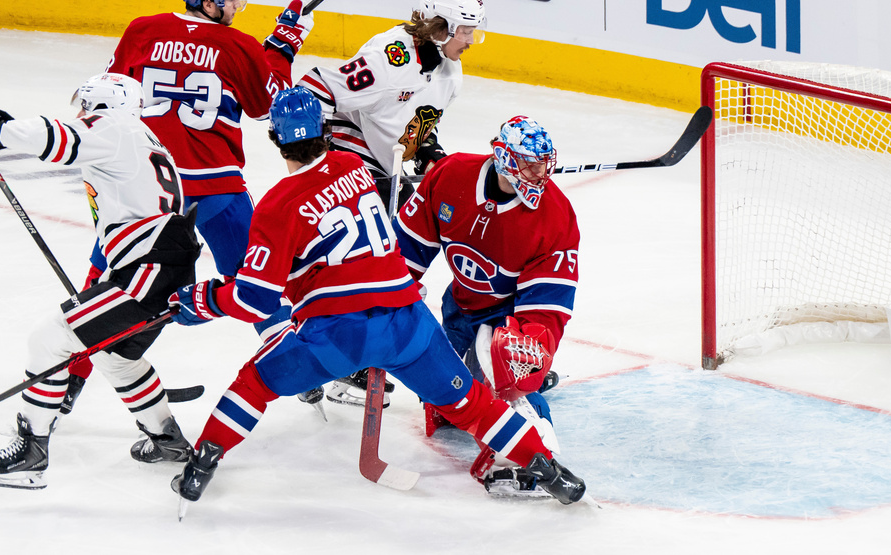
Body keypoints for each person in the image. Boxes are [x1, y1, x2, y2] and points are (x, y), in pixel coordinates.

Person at [166, 87, 586, 512]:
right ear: (326, 132)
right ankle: (551, 471)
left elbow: (254, 300)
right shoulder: (353, 166)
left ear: (274, 137)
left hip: (336, 334)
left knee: (253, 384)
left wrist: (200, 300)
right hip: (408, 323)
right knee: (472, 405)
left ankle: (203, 463)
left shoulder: (277, 204)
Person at [61, 0, 313, 414]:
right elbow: (268, 106)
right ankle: (294, 366)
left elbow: (108, 96)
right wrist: (282, 45)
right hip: (215, 186)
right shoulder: (239, 47)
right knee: (259, 281)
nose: (238, 6)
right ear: (211, 1)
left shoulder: (143, 29)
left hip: (148, 184)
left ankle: (68, 375)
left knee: (103, 279)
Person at [0, 72, 202, 490]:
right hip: (156, 266)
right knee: (113, 357)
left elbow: (60, 138)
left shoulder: (116, 127)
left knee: (49, 342)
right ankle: (167, 440)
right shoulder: (140, 137)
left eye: (86, 107)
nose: (82, 115)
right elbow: (66, 141)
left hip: (148, 269)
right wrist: (3, 136)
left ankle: (30, 453)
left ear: (99, 103)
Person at [295, 0, 485, 406]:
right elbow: (316, 88)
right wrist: (320, 163)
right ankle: (312, 353)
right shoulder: (390, 57)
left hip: (384, 167)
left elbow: (415, 129)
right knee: (350, 265)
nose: (472, 41)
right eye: (466, 31)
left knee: (374, 266)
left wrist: (429, 153)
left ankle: (346, 361)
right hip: (348, 155)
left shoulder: (449, 74)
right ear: (442, 26)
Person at [391, 116, 579, 469]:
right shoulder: (451, 175)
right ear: (503, 158)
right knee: (445, 401)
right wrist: (387, 294)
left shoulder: (555, 216)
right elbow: (409, 246)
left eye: (542, 165)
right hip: (459, 305)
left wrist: (530, 347)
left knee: (510, 382)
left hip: (506, 316)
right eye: (529, 165)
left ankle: (539, 453)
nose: (539, 175)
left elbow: (549, 301)